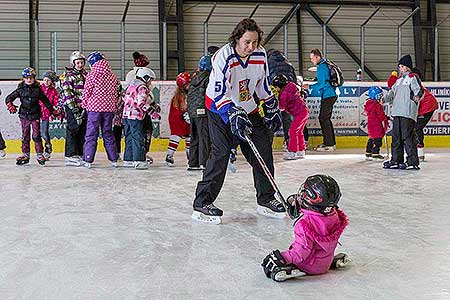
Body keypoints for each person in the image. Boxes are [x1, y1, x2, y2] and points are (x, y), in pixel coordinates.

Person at [191, 18, 284, 225]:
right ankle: (202, 203)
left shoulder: (260, 54)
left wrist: (270, 105)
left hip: (248, 107)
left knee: (262, 151)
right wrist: (231, 112)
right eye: (246, 42)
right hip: (219, 108)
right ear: (237, 39)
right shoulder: (224, 56)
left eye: (255, 42)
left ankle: (266, 198)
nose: (251, 47)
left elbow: (262, 85)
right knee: (221, 152)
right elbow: (218, 91)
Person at [261, 174, 350, 282]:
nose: (301, 194)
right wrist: (298, 204)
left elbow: (300, 253)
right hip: (326, 261)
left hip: (310, 266)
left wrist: (282, 257)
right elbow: (318, 215)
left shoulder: (305, 225)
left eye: (305, 193)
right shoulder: (334, 215)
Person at [5, 67, 57, 165]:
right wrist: (9, 104)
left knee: (36, 135)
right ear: (23, 78)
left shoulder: (38, 90)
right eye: (27, 78)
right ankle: (26, 154)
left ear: (34, 78)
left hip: (35, 115)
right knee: (25, 135)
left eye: (31, 78)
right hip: (24, 115)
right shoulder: (20, 89)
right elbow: (9, 97)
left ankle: (39, 153)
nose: (29, 80)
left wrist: (52, 111)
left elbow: (46, 101)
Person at [383, 54, 422, 170]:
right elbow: (391, 93)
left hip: (407, 112)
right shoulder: (398, 81)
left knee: (407, 137)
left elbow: (418, 90)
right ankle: (396, 160)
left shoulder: (412, 78)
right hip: (397, 112)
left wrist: (417, 96)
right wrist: (383, 99)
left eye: (402, 66)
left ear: (407, 67)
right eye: (399, 66)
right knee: (396, 138)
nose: (400, 68)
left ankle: (412, 162)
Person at [81, 52, 120, 168]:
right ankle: (113, 158)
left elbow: (87, 91)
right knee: (108, 133)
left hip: (94, 109)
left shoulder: (92, 75)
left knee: (91, 133)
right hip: (109, 109)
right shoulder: (112, 75)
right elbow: (115, 92)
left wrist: (84, 104)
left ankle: (88, 159)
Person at [303, 49, 337, 152]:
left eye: (312, 58)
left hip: (328, 94)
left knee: (323, 118)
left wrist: (310, 86)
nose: (311, 60)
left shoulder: (322, 67)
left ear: (317, 57)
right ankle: (331, 143)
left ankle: (329, 144)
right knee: (325, 118)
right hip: (330, 94)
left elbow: (322, 84)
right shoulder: (325, 64)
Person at [122, 67, 156, 170]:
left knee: (129, 137)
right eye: (150, 80)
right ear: (145, 78)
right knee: (138, 137)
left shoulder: (131, 85)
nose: (150, 82)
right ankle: (139, 160)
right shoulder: (142, 88)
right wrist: (152, 113)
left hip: (126, 116)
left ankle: (128, 159)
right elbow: (142, 103)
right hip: (136, 116)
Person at [60, 51, 88, 166]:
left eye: (81, 62)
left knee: (82, 130)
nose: (80, 65)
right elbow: (68, 93)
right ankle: (70, 155)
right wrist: (74, 109)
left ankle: (80, 153)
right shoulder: (69, 76)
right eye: (77, 63)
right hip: (72, 106)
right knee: (73, 129)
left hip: (84, 107)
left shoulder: (86, 75)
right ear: (73, 63)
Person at [272, 74, 309, 160]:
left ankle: (292, 152)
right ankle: (301, 151)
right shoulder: (291, 86)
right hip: (304, 112)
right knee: (299, 131)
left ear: (279, 86)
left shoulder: (284, 94)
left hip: (299, 114)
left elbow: (282, 108)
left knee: (292, 131)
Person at [187, 55, 212, 171]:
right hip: (202, 110)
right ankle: (204, 162)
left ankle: (193, 162)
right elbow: (210, 94)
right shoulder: (208, 78)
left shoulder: (194, 77)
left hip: (192, 111)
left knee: (195, 136)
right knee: (204, 137)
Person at [411, 68, 438, 161]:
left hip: (427, 106)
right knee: (415, 128)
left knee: (417, 128)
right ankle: (418, 151)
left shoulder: (414, 82)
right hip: (424, 107)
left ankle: (420, 151)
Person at [165, 72, 191, 167]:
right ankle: (169, 156)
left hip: (184, 119)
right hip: (177, 120)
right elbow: (177, 112)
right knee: (176, 137)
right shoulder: (179, 97)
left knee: (190, 137)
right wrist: (185, 115)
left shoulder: (186, 94)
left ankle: (190, 156)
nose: (190, 86)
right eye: (188, 84)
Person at [364, 86, 389, 161]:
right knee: (377, 140)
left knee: (371, 138)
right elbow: (380, 115)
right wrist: (385, 118)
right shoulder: (377, 105)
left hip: (371, 125)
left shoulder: (368, 104)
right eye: (379, 95)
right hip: (377, 126)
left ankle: (368, 153)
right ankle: (375, 154)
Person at [40, 70, 60, 160]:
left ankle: (48, 148)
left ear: (52, 81)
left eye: (48, 80)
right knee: (37, 134)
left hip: (46, 115)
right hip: (37, 113)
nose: (46, 82)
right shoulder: (39, 89)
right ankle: (40, 151)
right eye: (44, 80)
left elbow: (55, 103)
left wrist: (53, 112)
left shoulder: (54, 91)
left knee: (44, 133)